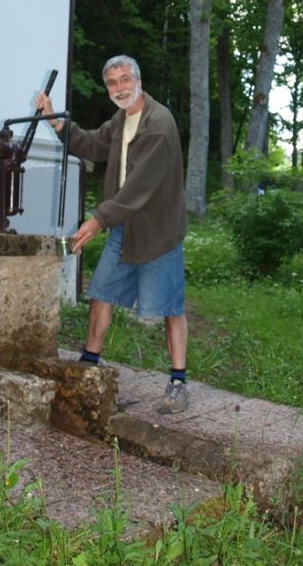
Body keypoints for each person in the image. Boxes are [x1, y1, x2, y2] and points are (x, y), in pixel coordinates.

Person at [36, 55, 189, 414]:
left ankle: (178, 383)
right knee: (101, 293)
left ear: (138, 80)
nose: (119, 88)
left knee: (170, 307)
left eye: (125, 79)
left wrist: (97, 221)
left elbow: (138, 186)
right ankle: (89, 364)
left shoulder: (159, 124)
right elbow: (92, 144)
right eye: (112, 82)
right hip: (123, 225)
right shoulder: (121, 120)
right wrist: (55, 122)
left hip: (158, 231)